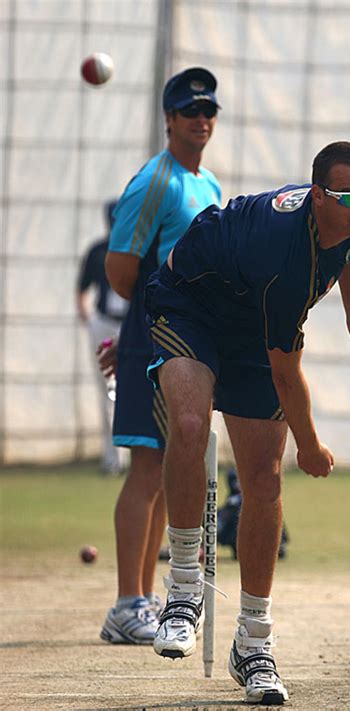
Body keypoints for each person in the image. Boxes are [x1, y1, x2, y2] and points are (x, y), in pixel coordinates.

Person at [144, 141, 350, 705]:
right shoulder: (285, 262)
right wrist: (310, 446)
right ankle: (185, 590)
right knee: (189, 424)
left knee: (263, 479)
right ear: (316, 197)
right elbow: (288, 376)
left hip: (251, 321)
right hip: (191, 305)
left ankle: (253, 643)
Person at [97, 67, 222, 646]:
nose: (201, 119)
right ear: (169, 119)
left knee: (174, 470)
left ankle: (143, 599)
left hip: (188, 341)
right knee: (149, 468)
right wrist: (134, 338)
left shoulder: (210, 185)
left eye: (208, 111)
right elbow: (121, 271)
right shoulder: (156, 180)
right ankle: (127, 601)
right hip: (154, 335)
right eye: (189, 111)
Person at [76, 200, 128, 475]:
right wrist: (88, 320)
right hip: (105, 325)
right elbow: (82, 288)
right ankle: (113, 461)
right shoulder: (97, 251)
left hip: (130, 327)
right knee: (109, 392)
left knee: (137, 391)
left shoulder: (135, 251)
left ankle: (135, 458)